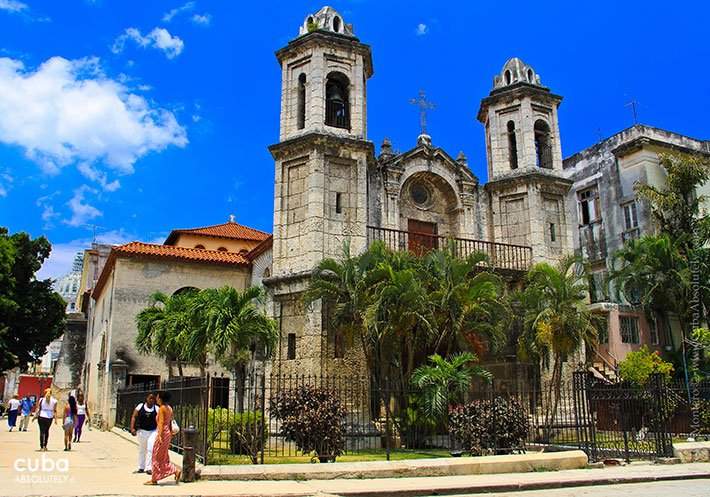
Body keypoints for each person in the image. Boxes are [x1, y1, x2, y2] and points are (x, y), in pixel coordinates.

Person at [144, 391, 180, 485]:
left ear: (160, 399)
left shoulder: (162, 409)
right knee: (163, 455)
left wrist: (159, 435)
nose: (156, 399)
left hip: (163, 433)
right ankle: (170, 471)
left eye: (157, 397)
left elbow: (161, 422)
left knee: (156, 456)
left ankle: (156, 478)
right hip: (168, 433)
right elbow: (169, 422)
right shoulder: (169, 408)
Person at [131, 393, 158, 474]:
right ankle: (141, 467)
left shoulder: (156, 409)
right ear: (146, 398)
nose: (151, 400)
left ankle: (149, 467)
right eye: (150, 398)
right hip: (141, 431)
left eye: (153, 399)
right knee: (142, 449)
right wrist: (132, 428)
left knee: (151, 448)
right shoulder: (140, 407)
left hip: (152, 431)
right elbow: (134, 416)